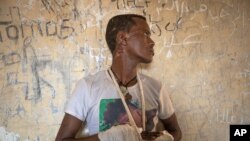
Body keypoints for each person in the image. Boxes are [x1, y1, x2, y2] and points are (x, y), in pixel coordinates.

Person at [55, 14, 182, 141]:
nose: (152, 42)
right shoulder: (88, 87)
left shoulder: (156, 88)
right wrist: (107, 138)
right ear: (122, 38)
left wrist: (166, 139)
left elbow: (176, 131)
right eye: (145, 34)